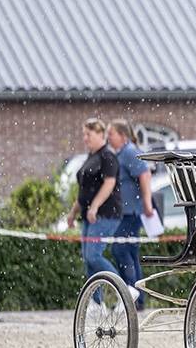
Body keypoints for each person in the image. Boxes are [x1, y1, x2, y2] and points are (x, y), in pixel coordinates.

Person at [66, 119, 129, 303]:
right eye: (84, 134)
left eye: (89, 134)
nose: (85, 138)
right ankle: (96, 301)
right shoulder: (90, 157)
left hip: (105, 214)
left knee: (94, 255)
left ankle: (123, 291)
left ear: (100, 135)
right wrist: (73, 213)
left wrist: (95, 206)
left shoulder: (108, 156)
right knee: (88, 258)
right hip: (89, 215)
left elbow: (109, 183)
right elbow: (84, 191)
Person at [107, 120, 155, 310]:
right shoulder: (123, 153)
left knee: (120, 250)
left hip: (131, 212)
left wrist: (147, 203)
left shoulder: (129, 152)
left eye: (111, 134)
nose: (109, 137)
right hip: (126, 211)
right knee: (131, 253)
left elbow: (144, 175)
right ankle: (137, 297)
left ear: (122, 135)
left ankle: (131, 295)